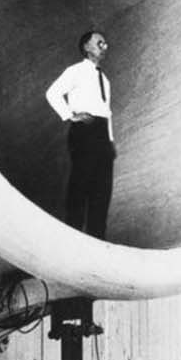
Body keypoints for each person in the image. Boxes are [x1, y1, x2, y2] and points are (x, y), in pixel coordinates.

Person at [44, 28, 114, 238]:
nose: (104, 47)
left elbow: (106, 112)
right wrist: (69, 115)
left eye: (105, 44)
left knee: (102, 191)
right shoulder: (75, 71)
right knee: (80, 187)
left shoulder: (105, 79)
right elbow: (52, 93)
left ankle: (97, 241)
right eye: (99, 43)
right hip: (85, 133)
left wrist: (110, 141)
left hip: (102, 137)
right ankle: (73, 239)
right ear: (86, 47)